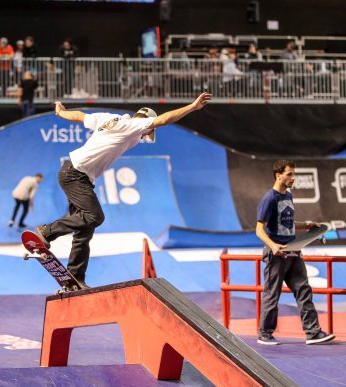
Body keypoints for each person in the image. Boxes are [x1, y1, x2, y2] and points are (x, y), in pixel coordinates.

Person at [33, 92, 212, 288]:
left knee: (85, 229)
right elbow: (163, 119)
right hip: (75, 174)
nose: (146, 136)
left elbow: (79, 116)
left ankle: (74, 277)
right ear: (146, 122)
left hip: (75, 172)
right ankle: (47, 231)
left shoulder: (108, 118)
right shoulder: (134, 126)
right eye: (147, 132)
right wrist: (191, 107)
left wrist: (61, 112)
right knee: (94, 217)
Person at [255, 160, 335, 346]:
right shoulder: (270, 199)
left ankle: (313, 333)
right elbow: (259, 229)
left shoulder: (288, 196)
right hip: (277, 253)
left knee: (303, 290)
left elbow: (286, 222)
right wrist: (273, 245)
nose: (293, 178)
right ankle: (264, 334)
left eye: (294, 174)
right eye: (289, 174)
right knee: (272, 294)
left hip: (293, 250)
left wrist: (306, 225)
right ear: (278, 175)